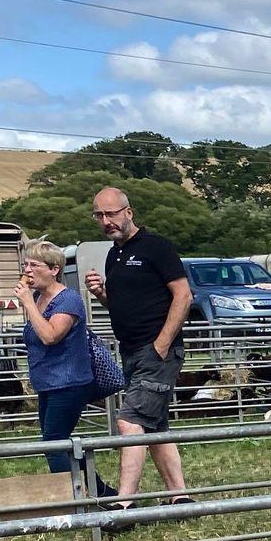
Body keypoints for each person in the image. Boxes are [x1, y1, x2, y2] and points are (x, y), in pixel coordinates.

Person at [83, 187, 192, 503]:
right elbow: (121, 305)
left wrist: (161, 344)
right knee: (154, 424)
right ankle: (179, 496)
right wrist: (102, 295)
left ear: (128, 212)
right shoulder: (113, 254)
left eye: (112, 214)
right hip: (131, 349)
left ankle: (125, 504)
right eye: (99, 215)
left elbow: (183, 296)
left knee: (129, 420)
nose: (106, 221)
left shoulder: (156, 247)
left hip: (157, 350)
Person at [15, 239, 110, 488]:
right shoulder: (37, 297)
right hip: (48, 383)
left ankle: (88, 495)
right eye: (25, 265)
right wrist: (30, 302)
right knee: (57, 442)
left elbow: (50, 336)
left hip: (68, 383)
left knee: (54, 444)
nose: (27, 271)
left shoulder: (69, 300)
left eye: (34, 265)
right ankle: (97, 492)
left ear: (54, 269)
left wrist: (26, 303)